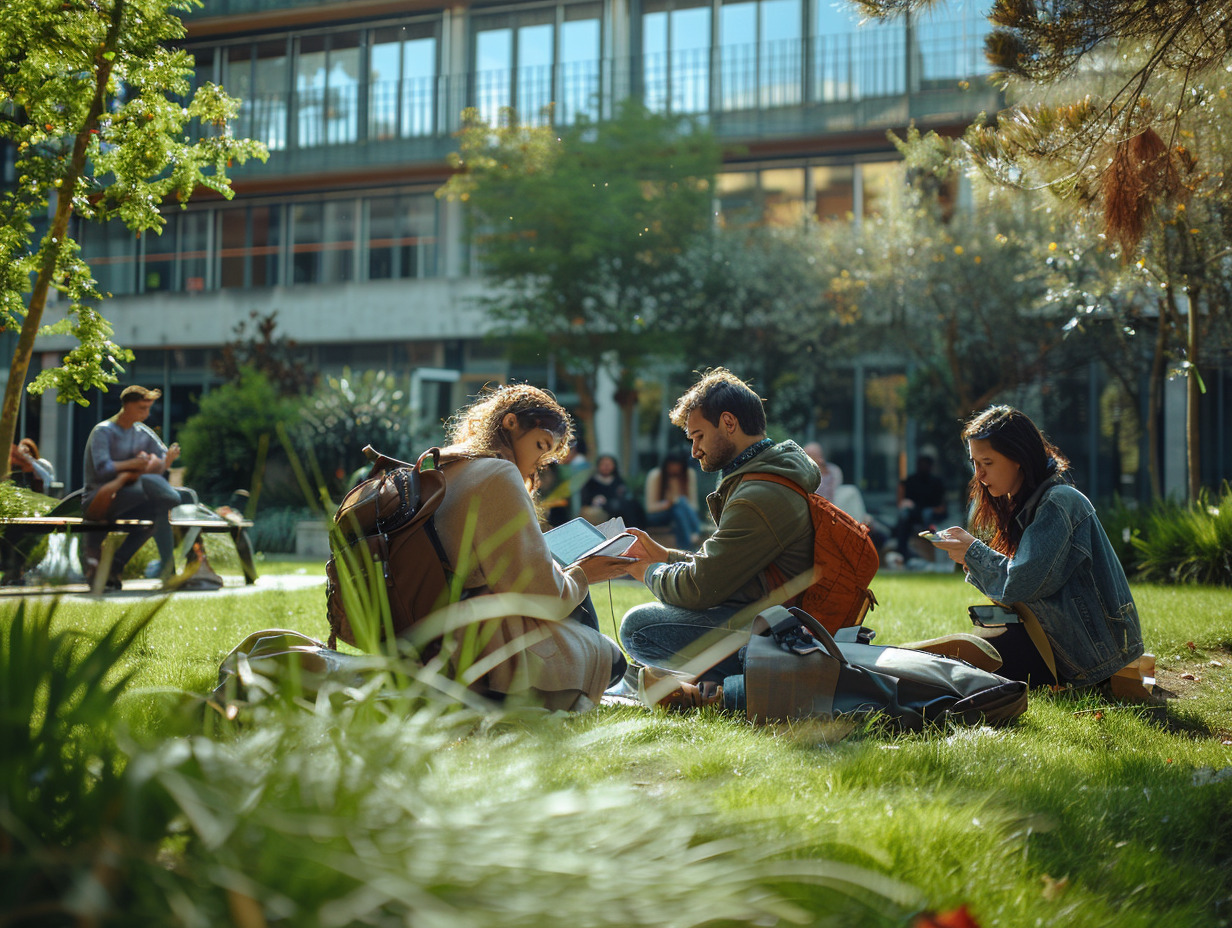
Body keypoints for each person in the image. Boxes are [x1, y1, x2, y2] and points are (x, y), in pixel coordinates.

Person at [619, 368, 821, 708]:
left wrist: (646, 571)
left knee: (639, 628)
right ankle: (703, 683)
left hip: (779, 635)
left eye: (698, 436)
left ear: (728, 423)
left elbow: (700, 588)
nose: (694, 450)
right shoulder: (766, 478)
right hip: (772, 617)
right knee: (652, 630)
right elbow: (725, 569)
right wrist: (665, 557)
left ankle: (719, 685)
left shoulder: (759, 495)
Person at [432, 383, 628, 711]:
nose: (538, 462)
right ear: (510, 423)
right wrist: (584, 573)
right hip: (481, 646)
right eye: (540, 445)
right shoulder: (497, 473)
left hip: (441, 628)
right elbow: (543, 599)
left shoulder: (448, 465)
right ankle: (580, 692)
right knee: (613, 661)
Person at [924, 405, 1144, 687]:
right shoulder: (1027, 504)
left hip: (1093, 660)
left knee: (961, 663)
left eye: (987, 463)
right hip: (1075, 649)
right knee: (967, 654)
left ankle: (890, 663)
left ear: (1018, 458)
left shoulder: (1057, 502)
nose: (979, 475)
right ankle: (896, 660)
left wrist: (973, 552)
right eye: (974, 463)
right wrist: (973, 558)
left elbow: (1021, 583)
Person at [82, 385, 185, 591]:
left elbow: (161, 460)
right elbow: (103, 469)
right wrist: (133, 465)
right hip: (102, 496)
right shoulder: (104, 431)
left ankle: (119, 564)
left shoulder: (142, 432)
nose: (146, 414)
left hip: (133, 496)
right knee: (160, 495)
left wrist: (166, 460)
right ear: (127, 406)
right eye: (141, 408)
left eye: (148, 408)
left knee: (158, 513)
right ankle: (175, 499)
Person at [643, 451, 702, 550]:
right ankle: (694, 534)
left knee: (679, 508)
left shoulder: (688, 474)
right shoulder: (655, 475)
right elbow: (650, 508)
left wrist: (678, 503)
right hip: (658, 514)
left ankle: (686, 545)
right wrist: (668, 504)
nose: (674, 469)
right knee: (678, 505)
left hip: (681, 512)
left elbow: (693, 505)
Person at [894, 453, 948, 558]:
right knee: (905, 516)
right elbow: (902, 501)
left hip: (932, 514)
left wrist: (934, 510)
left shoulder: (937, 482)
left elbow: (942, 506)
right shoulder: (911, 481)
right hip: (915, 513)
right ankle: (902, 551)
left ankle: (927, 545)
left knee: (927, 514)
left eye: (926, 465)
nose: (923, 467)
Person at [579, 453, 641, 525]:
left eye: (609, 464)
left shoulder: (617, 480)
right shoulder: (591, 482)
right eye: (603, 464)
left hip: (619, 505)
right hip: (603, 507)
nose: (606, 467)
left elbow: (624, 493)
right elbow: (586, 499)